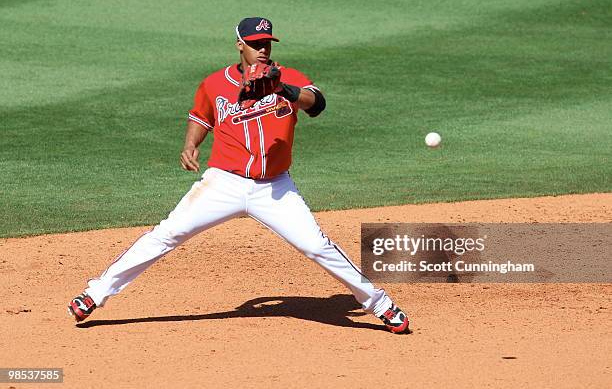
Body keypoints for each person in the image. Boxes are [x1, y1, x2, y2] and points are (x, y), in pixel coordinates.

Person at [68, 17, 410, 334]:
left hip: (275, 188)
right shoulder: (215, 83)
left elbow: (316, 104)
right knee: (167, 234)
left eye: (267, 42)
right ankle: (94, 294)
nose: (262, 48)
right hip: (223, 183)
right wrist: (190, 145)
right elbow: (200, 116)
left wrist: (282, 88)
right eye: (255, 42)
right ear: (239, 45)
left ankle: (380, 304)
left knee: (317, 246)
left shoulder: (289, 77)